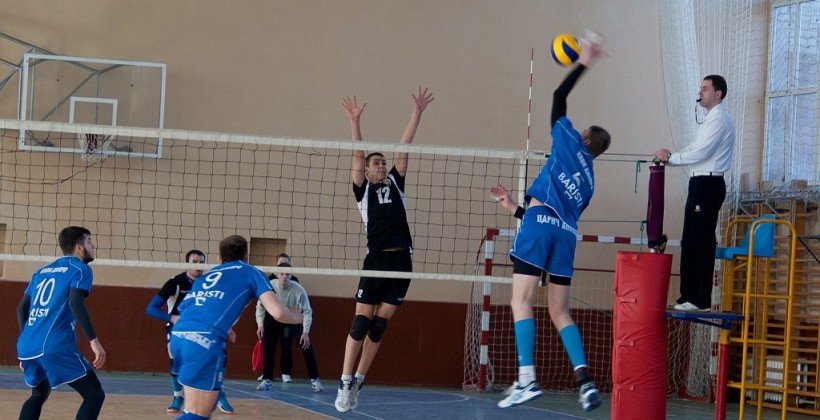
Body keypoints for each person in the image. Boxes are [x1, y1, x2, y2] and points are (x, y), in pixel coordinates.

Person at [495, 37, 609, 411]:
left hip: (541, 226)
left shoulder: (567, 141)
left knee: (521, 300)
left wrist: (584, 61)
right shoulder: (590, 181)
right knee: (560, 312)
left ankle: (527, 378)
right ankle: (585, 382)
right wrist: (515, 208)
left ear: (584, 138)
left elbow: (559, 96)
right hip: (565, 236)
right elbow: (554, 218)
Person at [334, 87, 434, 413]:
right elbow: (357, 154)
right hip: (376, 260)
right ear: (367, 169)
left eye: (382, 162)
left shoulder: (395, 184)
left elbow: (404, 146)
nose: (380, 165)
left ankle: (359, 381)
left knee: (378, 327)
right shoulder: (362, 190)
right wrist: (354, 121)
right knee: (360, 324)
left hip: (402, 260)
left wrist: (417, 112)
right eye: (375, 162)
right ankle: (344, 381)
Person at [169, 235, 302, 419]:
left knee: (196, 409)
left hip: (178, 335)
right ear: (246, 257)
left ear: (219, 258)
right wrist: (295, 317)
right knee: (198, 415)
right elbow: (278, 312)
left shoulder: (206, 276)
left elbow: (191, 309)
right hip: (204, 339)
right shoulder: (250, 271)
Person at [652, 75, 735, 312]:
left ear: (718, 94)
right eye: (701, 88)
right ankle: (688, 296)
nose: (700, 92)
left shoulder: (719, 120)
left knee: (700, 240)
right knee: (690, 239)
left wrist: (672, 157)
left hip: (708, 184)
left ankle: (700, 299)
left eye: (705, 89)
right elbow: (694, 148)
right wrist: (670, 159)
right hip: (699, 182)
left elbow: (701, 152)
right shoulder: (709, 120)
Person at [16, 226, 107, 419]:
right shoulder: (81, 269)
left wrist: (27, 343)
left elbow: (21, 309)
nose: (92, 246)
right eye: (89, 241)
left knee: (38, 393)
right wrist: (94, 341)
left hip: (26, 345)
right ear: (79, 248)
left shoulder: (41, 272)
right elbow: (75, 302)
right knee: (94, 394)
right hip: (54, 345)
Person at [145, 250, 235, 414]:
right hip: (178, 329)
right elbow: (151, 309)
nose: (198, 265)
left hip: (204, 328)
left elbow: (216, 309)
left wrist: (228, 327)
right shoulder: (175, 282)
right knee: (176, 360)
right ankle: (178, 397)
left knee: (219, 355)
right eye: (195, 261)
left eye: (201, 262)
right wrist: (172, 318)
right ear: (187, 263)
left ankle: (219, 394)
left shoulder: (210, 283)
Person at [255, 262, 322, 392]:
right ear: (276, 274)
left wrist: (306, 332)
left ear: (291, 275)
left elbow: (307, 311)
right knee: (268, 346)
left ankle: (315, 380)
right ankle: (267, 379)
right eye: (282, 274)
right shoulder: (269, 286)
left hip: (292, 317)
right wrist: (260, 325)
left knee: (306, 345)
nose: (284, 276)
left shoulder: (298, 290)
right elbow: (260, 306)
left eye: (287, 274)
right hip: (274, 317)